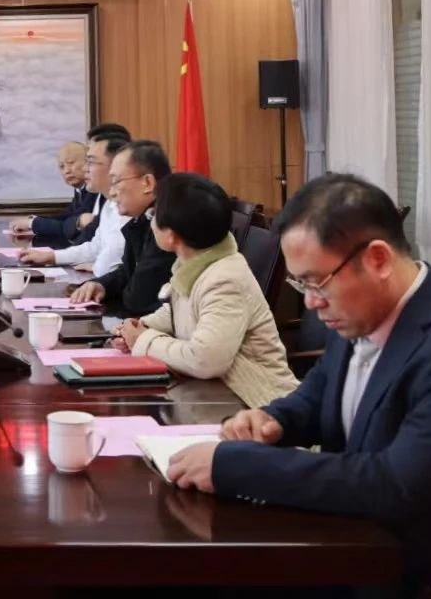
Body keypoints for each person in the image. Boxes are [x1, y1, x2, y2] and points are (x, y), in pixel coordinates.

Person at [166, 173, 431, 595]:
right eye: (301, 283)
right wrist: (274, 420)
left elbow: (393, 485)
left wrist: (233, 466)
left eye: (316, 281)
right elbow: (320, 391)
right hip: (370, 550)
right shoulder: (362, 310)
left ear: (378, 259)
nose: (310, 301)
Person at [113, 173, 296, 408]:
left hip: (257, 403)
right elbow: (180, 312)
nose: (151, 222)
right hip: (217, 397)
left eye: (154, 215)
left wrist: (144, 340)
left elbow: (205, 360)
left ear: (171, 236)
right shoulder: (196, 262)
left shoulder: (225, 279)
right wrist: (140, 327)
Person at [70, 140, 174, 314]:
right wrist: (101, 285)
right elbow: (127, 271)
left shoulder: (168, 225)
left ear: (147, 183)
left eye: (116, 181)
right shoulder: (141, 220)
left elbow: (139, 299)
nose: (111, 193)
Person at [17, 136, 128, 276]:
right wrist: (51, 257)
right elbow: (94, 247)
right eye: (61, 166)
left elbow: (114, 255)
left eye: (90, 162)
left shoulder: (128, 208)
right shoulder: (109, 205)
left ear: (114, 167)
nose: (85, 169)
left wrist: (97, 266)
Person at [7, 142, 94, 249]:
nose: (66, 171)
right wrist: (32, 220)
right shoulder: (79, 190)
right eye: (62, 167)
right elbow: (65, 217)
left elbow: (68, 226)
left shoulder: (94, 191)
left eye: (71, 163)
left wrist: (31, 224)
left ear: (88, 163)